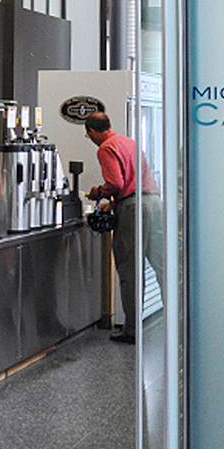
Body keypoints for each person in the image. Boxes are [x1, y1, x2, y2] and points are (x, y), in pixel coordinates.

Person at [85, 111, 163, 344]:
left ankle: (132, 330)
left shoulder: (106, 148)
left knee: (130, 269)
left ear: (91, 132)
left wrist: (99, 192)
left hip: (133, 210)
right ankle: (178, 320)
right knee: (162, 265)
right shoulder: (129, 142)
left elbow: (117, 183)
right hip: (154, 204)